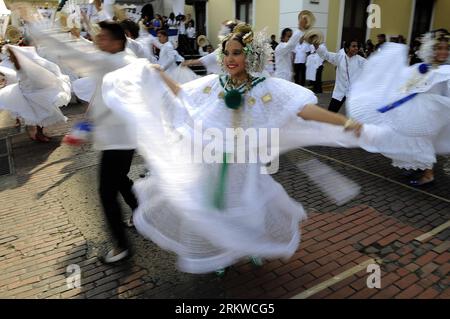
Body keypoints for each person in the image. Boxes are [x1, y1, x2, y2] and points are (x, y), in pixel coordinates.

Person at [101, 23, 395, 276]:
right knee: (214, 208)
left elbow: (304, 111)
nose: (230, 58)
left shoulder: (265, 87)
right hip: (212, 160)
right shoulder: (216, 84)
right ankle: (221, 253)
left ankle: (248, 245)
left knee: (246, 206)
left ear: (250, 55)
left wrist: (344, 122)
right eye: (226, 52)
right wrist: (159, 75)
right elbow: (184, 96)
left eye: (237, 52)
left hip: (243, 163)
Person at [347, 31, 450, 186]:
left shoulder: (445, 71)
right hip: (416, 110)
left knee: (422, 140)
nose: (444, 52)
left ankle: (428, 174)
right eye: (439, 48)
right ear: (431, 49)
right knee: (409, 138)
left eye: (446, 49)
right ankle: (419, 166)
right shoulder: (422, 67)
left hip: (431, 111)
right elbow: (403, 82)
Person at [0, 45, 70, 142]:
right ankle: (38, 134)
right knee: (38, 114)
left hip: (34, 91)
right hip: (26, 92)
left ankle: (38, 133)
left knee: (40, 114)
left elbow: (38, 71)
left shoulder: (25, 63)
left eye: (10, 55)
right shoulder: (14, 63)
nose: (9, 57)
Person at [315, 39, 366, 113]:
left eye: (357, 46)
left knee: (356, 115)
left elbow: (373, 69)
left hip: (353, 93)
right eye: (354, 46)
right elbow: (326, 55)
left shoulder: (361, 61)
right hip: (340, 91)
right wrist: (316, 45)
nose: (356, 48)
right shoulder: (339, 57)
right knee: (331, 113)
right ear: (347, 48)